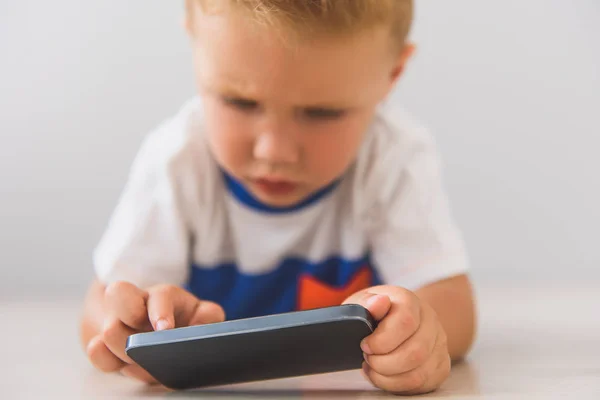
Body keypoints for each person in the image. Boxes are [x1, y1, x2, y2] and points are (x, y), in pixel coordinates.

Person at [79, 0, 477, 395]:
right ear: (196, 46)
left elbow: (453, 305)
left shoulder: (392, 158)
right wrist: (135, 329)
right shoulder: (176, 162)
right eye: (239, 102)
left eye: (322, 113)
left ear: (393, 74)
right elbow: (100, 310)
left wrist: (419, 332)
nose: (274, 151)